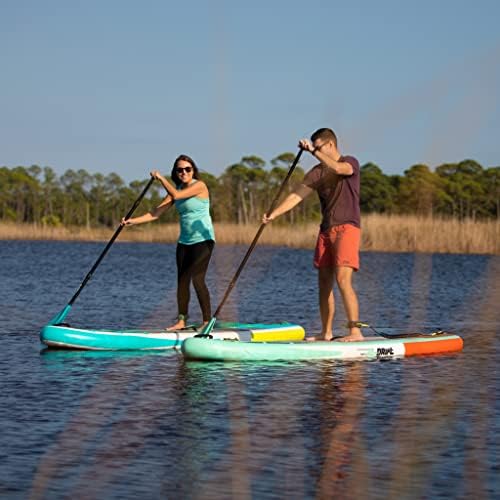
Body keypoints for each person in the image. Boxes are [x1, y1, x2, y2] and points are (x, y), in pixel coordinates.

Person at [262, 128, 363, 342]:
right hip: (326, 230)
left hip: (347, 228)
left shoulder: (350, 162)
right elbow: (296, 197)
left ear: (330, 145)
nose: (315, 152)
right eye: (314, 148)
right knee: (324, 283)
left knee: (342, 279)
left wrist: (311, 151)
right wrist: (273, 214)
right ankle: (326, 333)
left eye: (318, 148)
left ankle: (355, 332)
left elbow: (339, 168)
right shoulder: (317, 173)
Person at [122, 154, 215, 331]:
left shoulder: (199, 186)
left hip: (204, 240)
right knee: (182, 281)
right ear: (176, 172)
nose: (184, 172)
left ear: (193, 170)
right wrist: (131, 221)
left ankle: (206, 321)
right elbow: (155, 214)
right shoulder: (176, 190)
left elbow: (178, 194)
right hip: (184, 242)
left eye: (188, 169)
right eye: (180, 170)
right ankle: (181, 321)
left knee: (197, 279)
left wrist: (161, 179)